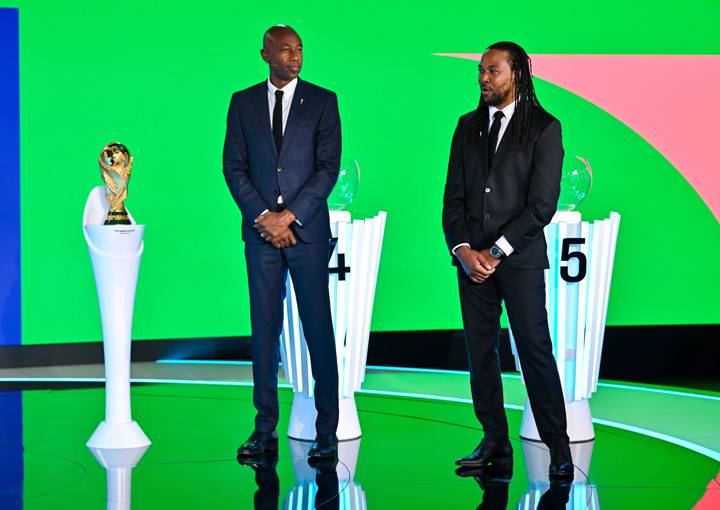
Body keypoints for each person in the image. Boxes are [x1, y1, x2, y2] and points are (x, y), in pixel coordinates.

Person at [442, 41, 573, 481]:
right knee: (481, 355)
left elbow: (541, 206)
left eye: (492, 71)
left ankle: (559, 447)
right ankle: (494, 440)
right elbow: (453, 199)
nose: (483, 78)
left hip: (516, 262)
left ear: (516, 73)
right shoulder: (466, 127)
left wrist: (496, 252)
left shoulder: (544, 127)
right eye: (480, 70)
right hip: (471, 264)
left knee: (534, 351)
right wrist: (463, 250)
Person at [223, 24, 341, 461]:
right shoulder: (242, 103)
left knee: (318, 329)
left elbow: (328, 168)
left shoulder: (324, 101)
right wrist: (263, 218)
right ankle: (263, 429)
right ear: (265, 54)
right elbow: (232, 167)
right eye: (286, 50)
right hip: (260, 236)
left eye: (300, 50)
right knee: (264, 332)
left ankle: (326, 431)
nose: (295, 57)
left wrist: (289, 216)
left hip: (306, 235)